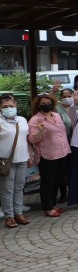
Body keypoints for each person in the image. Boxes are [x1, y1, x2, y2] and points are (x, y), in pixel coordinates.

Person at [27, 94, 71, 217]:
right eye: (43, 103)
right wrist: (40, 131)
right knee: (48, 182)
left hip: (62, 152)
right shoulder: (35, 120)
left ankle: (53, 204)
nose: (46, 105)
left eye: (48, 103)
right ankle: (47, 207)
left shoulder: (56, 115)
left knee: (57, 180)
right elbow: (32, 139)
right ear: (38, 105)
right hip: (47, 155)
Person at [0, 94, 31, 228]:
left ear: (16, 105)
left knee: (19, 187)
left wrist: (30, 156)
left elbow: (27, 139)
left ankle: (18, 214)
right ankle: (9, 216)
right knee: (7, 189)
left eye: (11, 106)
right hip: (5, 161)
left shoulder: (22, 120)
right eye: (5, 106)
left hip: (22, 158)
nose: (9, 108)